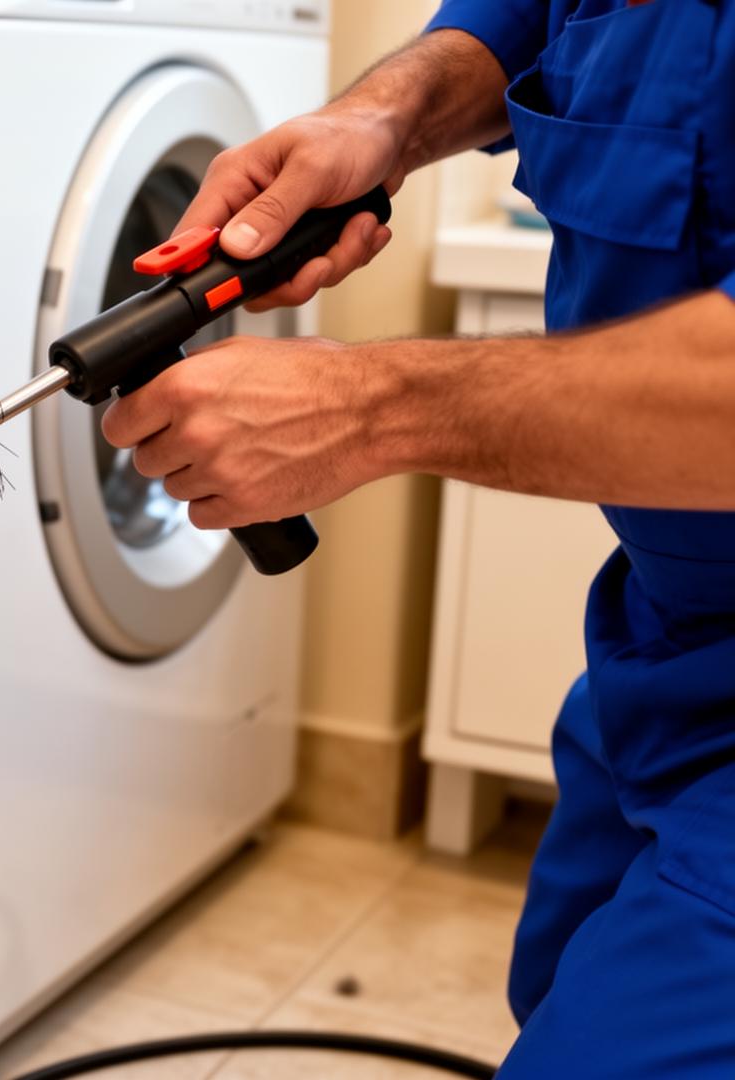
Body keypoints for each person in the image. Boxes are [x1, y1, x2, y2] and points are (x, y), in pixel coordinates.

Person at [99, 2, 735, 1075]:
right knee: (557, 975)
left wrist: (370, 408)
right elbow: (535, 16)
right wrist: (384, 113)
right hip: (665, 645)